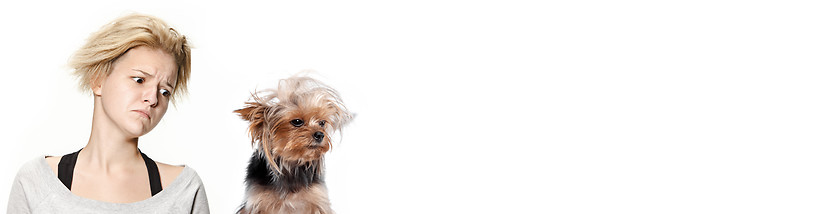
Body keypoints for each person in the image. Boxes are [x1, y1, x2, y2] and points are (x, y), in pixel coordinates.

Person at [7, 14, 209, 213]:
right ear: (98, 79)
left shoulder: (184, 190)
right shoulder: (36, 182)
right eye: (139, 80)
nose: (153, 98)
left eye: (165, 91)